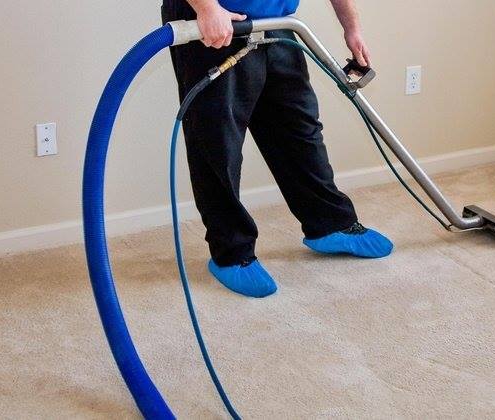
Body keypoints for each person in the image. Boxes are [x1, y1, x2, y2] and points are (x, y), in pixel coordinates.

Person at [161, 0, 393, 298]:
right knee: (218, 143)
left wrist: (352, 28)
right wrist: (206, 10)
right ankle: (231, 252)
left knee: (299, 128)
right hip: (218, 21)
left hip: (276, 22)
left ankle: (329, 223)